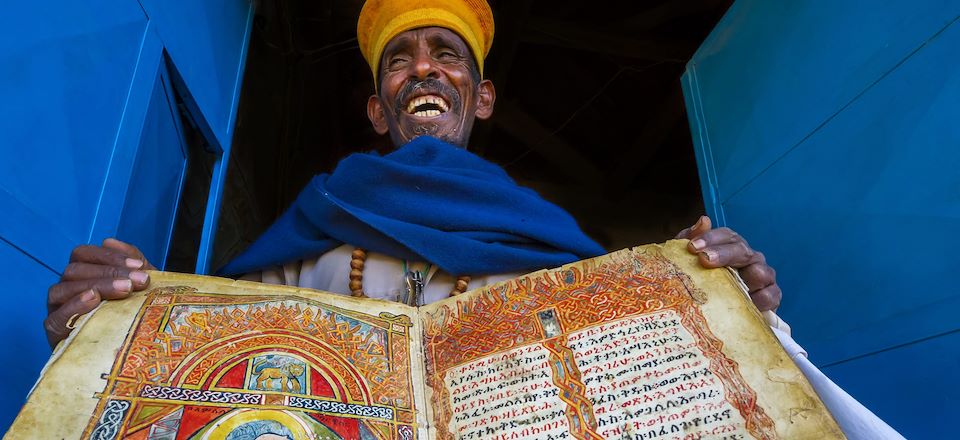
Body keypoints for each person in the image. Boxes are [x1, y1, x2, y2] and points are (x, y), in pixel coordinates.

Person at [43, 1, 901, 438]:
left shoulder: (560, 250)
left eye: (445, 54)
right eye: (399, 60)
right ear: (378, 107)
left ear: (478, 94)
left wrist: (737, 316)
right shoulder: (302, 239)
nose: (424, 71)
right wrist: (102, 327)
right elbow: (198, 381)